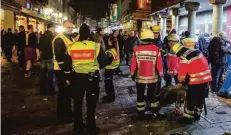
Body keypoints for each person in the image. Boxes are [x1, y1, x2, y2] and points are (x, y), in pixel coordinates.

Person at [67, 23, 107, 134]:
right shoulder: (96, 46)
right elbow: (103, 62)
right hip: (91, 78)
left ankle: (78, 126)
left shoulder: (71, 47)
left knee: (77, 102)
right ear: (90, 34)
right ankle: (91, 127)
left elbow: (67, 63)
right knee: (91, 104)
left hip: (76, 78)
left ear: (79, 33)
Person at [167, 34, 212, 124]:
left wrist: (181, 82)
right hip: (206, 79)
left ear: (178, 52)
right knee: (200, 97)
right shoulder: (195, 51)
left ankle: (188, 117)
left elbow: (182, 75)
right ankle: (197, 115)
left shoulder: (183, 57)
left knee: (191, 98)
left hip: (196, 80)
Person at [130, 29, 163, 119]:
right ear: (151, 39)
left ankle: (140, 112)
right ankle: (153, 111)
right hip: (152, 77)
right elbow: (159, 64)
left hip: (140, 77)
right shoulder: (156, 49)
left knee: (140, 94)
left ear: (142, 39)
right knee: (152, 94)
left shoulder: (136, 50)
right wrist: (160, 74)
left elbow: (133, 64)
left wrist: (132, 73)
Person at [53, 20, 74, 122]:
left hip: (67, 68)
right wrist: (66, 72)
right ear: (63, 27)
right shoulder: (59, 39)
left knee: (67, 92)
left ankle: (67, 113)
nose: (70, 29)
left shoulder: (68, 37)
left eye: (71, 27)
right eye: (68, 27)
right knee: (64, 92)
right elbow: (59, 57)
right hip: (61, 70)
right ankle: (63, 116)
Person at [38, 24, 56, 95]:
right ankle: (50, 90)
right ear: (51, 28)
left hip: (43, 58)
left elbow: (39, 47)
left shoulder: (42, 36)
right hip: (50, 58)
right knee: (50, 75)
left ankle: (42, 90)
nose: (55, 30)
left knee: (42, 74)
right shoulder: (52, 37)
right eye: (54, 28)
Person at [102, 34, 120, 103]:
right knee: (109, 83)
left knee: (108, 83)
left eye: (109, 40)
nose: (108, 41)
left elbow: (108, 62)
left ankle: (110, 97)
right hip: (112, 68)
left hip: (109, 69)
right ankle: (109, 96)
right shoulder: (114, 49)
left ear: (111, 42)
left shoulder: (110, 51)